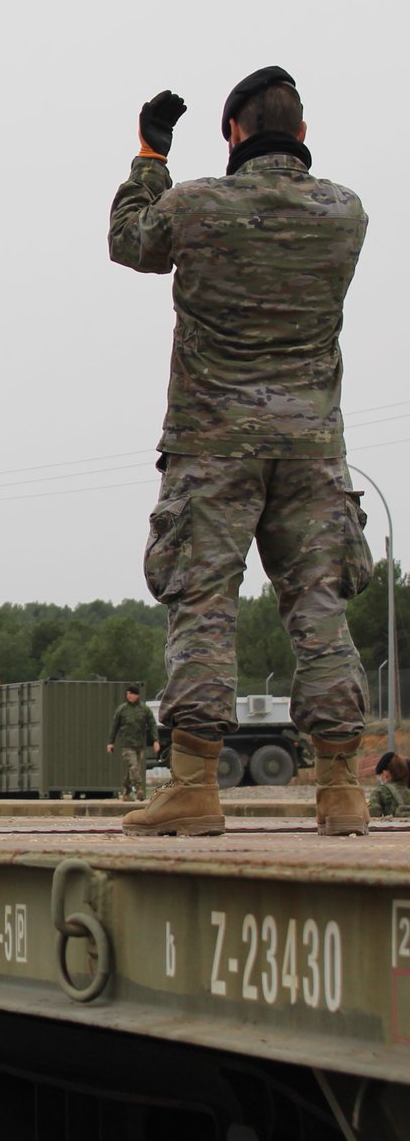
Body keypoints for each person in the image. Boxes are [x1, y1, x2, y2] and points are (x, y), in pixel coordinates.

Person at [109, 66, 372, 838]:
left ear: (232, 132)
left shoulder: (194, 206)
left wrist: (149, 160)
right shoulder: (345, 213)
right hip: (312, 447)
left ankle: (193, 789)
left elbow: (131, 242)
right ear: (301, 132)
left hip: (212, 446)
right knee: (320, 607)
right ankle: (342, 791)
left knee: (204, 607)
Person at [107, 685, 161, 801]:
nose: (128, 695)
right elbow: (114, 726)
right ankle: (139, 790)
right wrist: (110, 742)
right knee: (134, 766)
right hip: (127, 744)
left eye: (130, 693)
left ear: (137, 695)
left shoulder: (144, 709)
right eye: (127, 694)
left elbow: (152, 725)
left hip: (139, 744)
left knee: (132, 769)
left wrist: (156, 740)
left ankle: (126, 792)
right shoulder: (122, 709)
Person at [369, 752, 410, 817]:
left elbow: (373, 816)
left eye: (381, 774)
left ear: (385, 773)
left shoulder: (379, 792)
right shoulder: (407, 790)